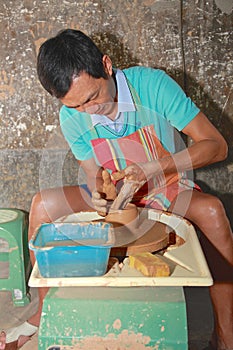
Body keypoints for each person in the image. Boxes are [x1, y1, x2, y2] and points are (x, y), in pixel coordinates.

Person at [1, 29, 232, 350]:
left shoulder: (152, 86)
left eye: (92, 97)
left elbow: (216, 146)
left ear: (106, 66)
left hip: (167, 185)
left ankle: (226, 333)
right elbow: (95, 172)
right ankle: (43, 312)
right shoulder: (72, 115)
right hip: (122, 196)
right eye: (77, 106)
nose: (89, 111)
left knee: (212, 211)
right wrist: (99, 189)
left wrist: (155, 167)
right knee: (42, 205)